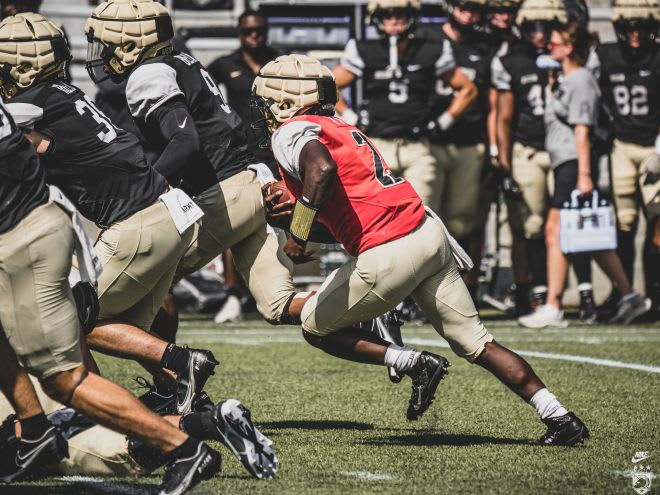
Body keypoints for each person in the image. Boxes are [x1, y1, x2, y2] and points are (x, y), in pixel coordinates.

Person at [254, 53, 589, 444]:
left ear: (284, 99)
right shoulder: (342, 126)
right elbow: (351, 216)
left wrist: (296, 235)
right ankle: (560, 418)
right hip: (425, 232)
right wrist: (304, 223)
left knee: (314, 327)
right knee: (478, 342)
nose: (263, 111)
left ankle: (410, 358)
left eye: (264, 102)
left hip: (390, 249)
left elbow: (321, 169)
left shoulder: (291, 131)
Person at [0, 12, 219, 416]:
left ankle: (175, 366)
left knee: (70, 320)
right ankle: (184, 396)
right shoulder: (62, 94)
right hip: (167, 209)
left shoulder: (28, 107)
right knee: (124, 326)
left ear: (24, 67)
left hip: (138, 218)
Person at [0, 98, 221, 493]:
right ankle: (35, 428)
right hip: (48, 223)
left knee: (66, 374)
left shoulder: (51, 107)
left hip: (26, 235)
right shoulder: (57, 102)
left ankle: (184, 446)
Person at [518, 21, 649, 328]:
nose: (549, 46)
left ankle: (553, 304)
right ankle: (630, 296)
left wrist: (584, 174)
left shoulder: (580, 80)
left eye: (555, 42)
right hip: (566, 163)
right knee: (591, 239)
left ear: (569, 47)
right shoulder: (564, 78)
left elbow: (582, 129)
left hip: (575, 164)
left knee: (556, 231)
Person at [332, 0, 477, 214]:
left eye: (400, 15)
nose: (394, 21)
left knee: (421, 215)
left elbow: (468, 90)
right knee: (376, 215)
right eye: (387, 15)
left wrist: (442, 122)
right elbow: (327, 85)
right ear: (376, 19)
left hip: (417, 146)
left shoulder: (430, 50)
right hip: (377, 145)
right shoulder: (365, 49)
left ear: (411, 17)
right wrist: (351, 117)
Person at [0, 375, 277, 480]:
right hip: (38, 374)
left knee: (72, 451)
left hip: (12, 404)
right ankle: (207, 422)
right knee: (101, 418)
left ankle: (192, 441)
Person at [208, 9, 280, 324]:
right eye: (248, 31)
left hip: (276, 149)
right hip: (241, 152)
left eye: (259, 31)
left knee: (277, 218)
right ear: (240, 33)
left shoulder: (279, 62)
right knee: (236, 221)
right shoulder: (226, 64)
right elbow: (202, 91)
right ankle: (233, 294)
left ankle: (269, 291)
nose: (254, 37)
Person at [491, 0, 560, 315]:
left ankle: (559, 293)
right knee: (528, 225)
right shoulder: (512, 61)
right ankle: (525, 290)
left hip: (563, 149)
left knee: (562, 225)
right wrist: (504, 163)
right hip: (528, 149)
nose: (539, 33)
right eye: (533, 26)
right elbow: (503, 118)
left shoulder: (569, 54)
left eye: (545, 26)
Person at [428, 0, 499, 302]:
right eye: (463, 6)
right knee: (427, 219)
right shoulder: (428, 40)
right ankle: (422, 291)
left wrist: (494, 147)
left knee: (463, 221)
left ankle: (462, 290)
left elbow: (492, 101)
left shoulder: (484, 46)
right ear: (450, 6)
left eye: (475, 8)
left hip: (470, 141)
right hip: (430, 141)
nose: (468, 13)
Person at [594, 0, 660, 319]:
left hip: (652, 147)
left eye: (643, 27)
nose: (636, 34)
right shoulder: (606, 55)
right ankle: (625, 293)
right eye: (630, 27)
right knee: (624, 222)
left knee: (657, 221)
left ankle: (655, 293)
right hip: (620, 145)